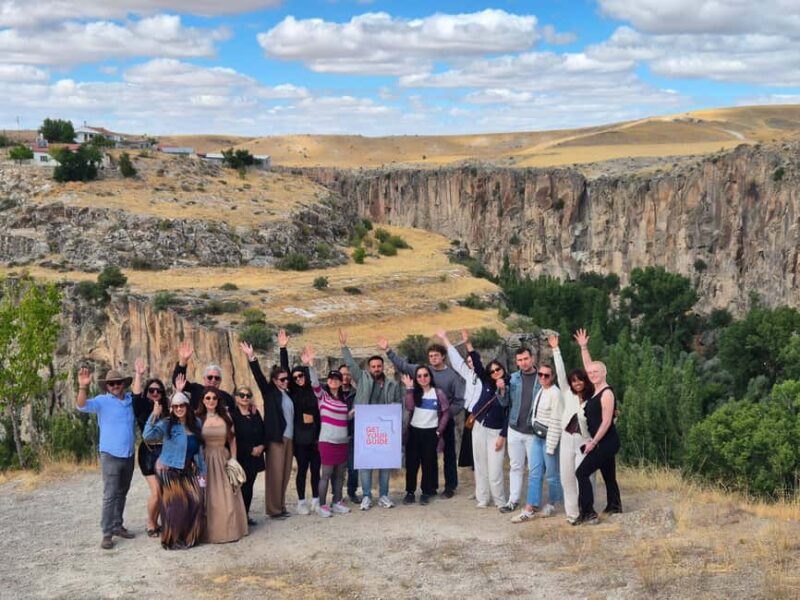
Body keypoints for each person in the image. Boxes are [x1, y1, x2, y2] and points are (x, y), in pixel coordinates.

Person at [381, 336, 465, 498]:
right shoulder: (422, 371)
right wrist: (388, 351)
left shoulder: (452, 376)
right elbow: (403, 366)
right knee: (428, 456)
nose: (433, 358)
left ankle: (450, 487)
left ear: (443, 356)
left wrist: (443, 415)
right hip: (422, 423)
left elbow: (460, 401)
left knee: (448, 454)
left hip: (444, 420)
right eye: (431, 356)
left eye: (436, 355)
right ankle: (430, 488)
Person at [437, 330, 507, 507]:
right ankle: (482, 497)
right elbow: (464, 360)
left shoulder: (510, 383)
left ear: (503, 371)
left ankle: (500, 500)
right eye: (492, 371)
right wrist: (465, 343)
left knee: (495, 467)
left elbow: (509, 411)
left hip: (496, 428)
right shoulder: (481, 379)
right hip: (477, 421)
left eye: (498, 369)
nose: (495, 372)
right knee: (479, 462)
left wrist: (503, 434)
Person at [340, 329, 403, 510]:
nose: (376, 369)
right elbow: (351, 365)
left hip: (385, 429)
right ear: (369, 368)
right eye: (373, 366)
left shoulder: (392, 384)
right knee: (365, 463)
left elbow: (398, 405)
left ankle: (383, 495)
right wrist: (344, 347)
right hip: (365, 427)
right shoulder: (363, 379)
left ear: (383, 367)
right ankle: (367, 495)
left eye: (379, 366)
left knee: (384, 464)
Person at [76, 365, 136, 550]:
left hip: (128, 454)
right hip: (110, 454)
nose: (115, 386)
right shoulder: (102, 401)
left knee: (122, 493)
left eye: (118, 383)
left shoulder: (130, 400)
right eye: (111, 384)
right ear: (107, 387)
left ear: (123, 384)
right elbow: (81, 405)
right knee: (110, 495)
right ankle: (107, 534)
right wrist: (83, 386)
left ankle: (117, 525)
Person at [142, 388, 206, 550]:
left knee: (196, 500)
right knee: (177, 504)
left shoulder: (196, 423)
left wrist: (203, 473)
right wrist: (154, 414)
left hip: (187, 469)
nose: (179, 409)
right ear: (172, 408)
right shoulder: (167, 423)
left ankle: (190, 537)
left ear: (187, 406)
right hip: (168, 469)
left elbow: (199, 451)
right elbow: (147, 436)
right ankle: (172, 540)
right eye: (175, 406)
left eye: (181, 406)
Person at [574, 329, 622, 524]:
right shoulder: (595, 389)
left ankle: (588, 513)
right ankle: (615, 506)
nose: (592, 374)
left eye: (596, 372)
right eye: (590, 373)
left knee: (581, 472)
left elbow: (606, 421)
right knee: (608, 474)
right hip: (603, 441)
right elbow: (589, 366)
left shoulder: (607, 393)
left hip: (606, 441)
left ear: (605, 373)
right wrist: (584, 347)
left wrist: (593, 442)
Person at [241, 341, 292, 520]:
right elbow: (259, 378)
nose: (286, 381)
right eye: (282, 379)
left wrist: (283, 348)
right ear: (274, 381)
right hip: (276, 439)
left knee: (285, 474)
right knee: (275, 475)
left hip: (289, 438)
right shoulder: (270, 392)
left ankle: (281, 505)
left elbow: (285, 368)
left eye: (287, 379)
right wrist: (251, 357)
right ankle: (274, 509)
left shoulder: (288, 392)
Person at [301, 345, 352, 518]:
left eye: (336, 379)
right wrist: (310, 366)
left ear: (340, 382)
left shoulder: (343, 402)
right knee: (326, 475)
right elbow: (314, 383)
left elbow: (345, 418)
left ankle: (337, 502)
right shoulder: (322, 397)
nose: (333, 381)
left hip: (342, 442)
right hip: (327, 442)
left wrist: (354, 413)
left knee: (339, 475)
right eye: (331, 378)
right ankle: (322, 505)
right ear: (328, 381)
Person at [550, 334, 596, 525]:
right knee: (567, 477)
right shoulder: (567, 393)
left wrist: (583, 348)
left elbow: (592, 370)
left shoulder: (592, 397)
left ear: (585, 381)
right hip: (567, 438)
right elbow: (560, 373)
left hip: (584, 440)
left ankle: (588, 511)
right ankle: (572, 514)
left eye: (580, 380)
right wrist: (556, 350)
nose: (577, 383)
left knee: (584, 478)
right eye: (574, 381)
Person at [511, 361, 563, 523]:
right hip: (537, 437)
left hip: (550, 439)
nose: (542, 378)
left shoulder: (556, 394)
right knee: (534, 473)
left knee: (552, 475)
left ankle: (553, 503)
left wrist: (551, 446)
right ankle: (530, 507)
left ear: (552, 377)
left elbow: (556, 421)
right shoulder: (541, 390)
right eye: (540, 374)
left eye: (546, 375)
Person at [197, 387, 248, 543]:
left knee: (227, 494)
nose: (211, 401)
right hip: (205, 459)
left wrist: (234, 459)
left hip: (222, 458)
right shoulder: (197, 418)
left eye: (214, 398)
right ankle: (209, 532)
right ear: (203, 400)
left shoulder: (226, 417)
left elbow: (232, 440)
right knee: (208, 496)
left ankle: (230, 530)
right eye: (207, 398)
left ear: (218, 400)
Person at [279, 330, 321, 515]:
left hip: (316, 435)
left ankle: (316, 500)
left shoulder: (314, 391)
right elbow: (284, 370)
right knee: (302, 470)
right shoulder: (292, 393)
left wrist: (310, 365)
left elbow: (315, 381)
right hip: (300, 438)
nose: (297, 379)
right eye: (295, 378)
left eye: (300, 375)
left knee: (316, 469)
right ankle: (301, 501)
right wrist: (283, 348)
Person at [499, 346, 542, 514]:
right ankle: (513, 500)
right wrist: (502, 389)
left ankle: (533, 502)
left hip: (533, 431)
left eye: (525, 359)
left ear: (532, 358)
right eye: (519, 360)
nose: (523, 363)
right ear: (516, 362)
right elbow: (504, 403)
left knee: (534, 468)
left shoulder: (542, 377)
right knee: (515, 466)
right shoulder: (513, 378)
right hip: (515, 428)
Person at [401, 366, 450, 505]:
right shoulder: (414, 393)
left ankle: (426, 492)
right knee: (411, 464)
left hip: (431, 432)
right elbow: (409, 407)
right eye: (420, 376)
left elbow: (446, 412)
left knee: (428, 464)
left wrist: (439, 430)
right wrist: (409, 389)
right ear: (416, 379)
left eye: (425, 375)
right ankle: (410, 492)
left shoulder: (438, 393)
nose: (423, 378)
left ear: (430, 376)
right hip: (414, 432)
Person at [131, 358, 168, 537]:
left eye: (158, 390)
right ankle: (151, 523)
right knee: (157, 491)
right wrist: (138, 374)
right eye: (151, 390)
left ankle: (158, 521)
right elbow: (136, 396)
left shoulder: (167, 408)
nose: (155, 393)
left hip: (164, 452)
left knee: (164, 489)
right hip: (148, 453)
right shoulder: (143, 405)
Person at [442, 330, 481, 470]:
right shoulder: (469, 374)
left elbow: (474, 358)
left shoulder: (485, 375)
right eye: (469, 361)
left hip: (481, 414)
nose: (471, 363)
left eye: (473, 361)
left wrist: (467, 343)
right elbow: (457, 361)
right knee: (471, 447)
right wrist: (445, 338)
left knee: (480, 447)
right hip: (469, 412)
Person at [231, 384, 265, 526]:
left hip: (255, 458)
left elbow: (263, 432)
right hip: (242, 457)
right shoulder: (233, 415)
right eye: (242, 395)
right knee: (240, 488)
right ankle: (238, 518)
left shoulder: (255, 414)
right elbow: (234, 438)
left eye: (248, 395)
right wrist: (250, 449)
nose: (245, 398)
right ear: (237, 398)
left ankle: (245, 514)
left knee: (249, 487)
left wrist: (262, 446)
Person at [172, 340, 234, 412]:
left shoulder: (227, 398)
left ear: (220, 381)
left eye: (217, 378)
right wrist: (183, 362)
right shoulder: (196, 389)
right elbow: (178, 381)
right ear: (204, 379)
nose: (213, 380)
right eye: (210, 377)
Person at [339, 363, 360, 503]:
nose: (345, 377)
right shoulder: (332, 393)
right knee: (338, 469)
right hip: (337, 436)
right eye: (342, 374)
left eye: (348, 374)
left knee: (353, 467)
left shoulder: (357, 393)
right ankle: (337, 494)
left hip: (353, 435)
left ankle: (352, 493)